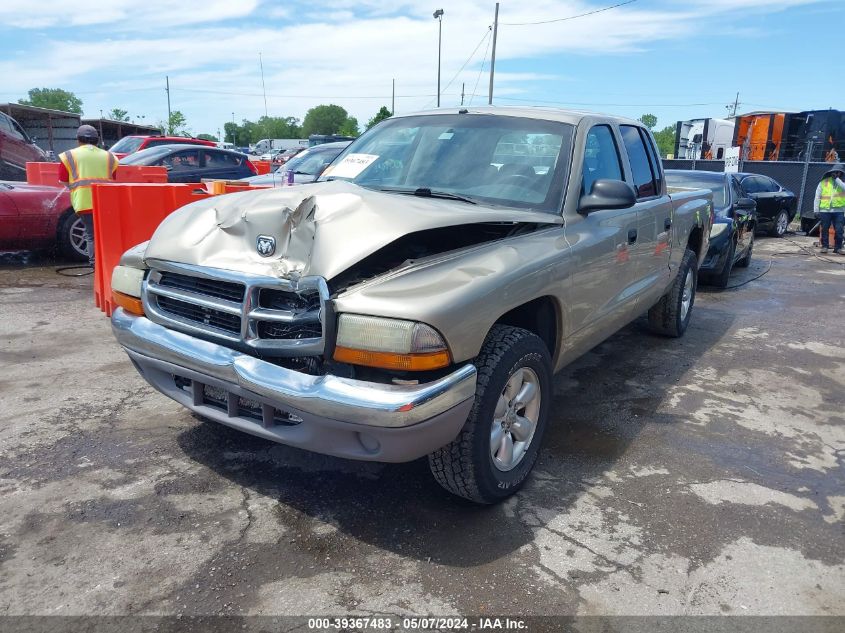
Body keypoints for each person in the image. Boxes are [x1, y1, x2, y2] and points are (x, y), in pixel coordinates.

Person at [57, 125, 118, 266]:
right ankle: (107, 261)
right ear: (97, 140)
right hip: (105, 202)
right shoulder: (110, 156)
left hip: (83, 202)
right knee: (105, 234)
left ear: (78, 140)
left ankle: (94, 263)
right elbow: (112, 178)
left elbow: (63, 180)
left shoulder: (68, 156)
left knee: (91, 234)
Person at [813, 163, 845, 255]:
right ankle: (825, 246)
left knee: (839, 230)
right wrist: (816, 210)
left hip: (839, 211)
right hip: (825, 210)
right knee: (825, 229)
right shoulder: (823, 182)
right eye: (835, 172)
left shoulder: (842, 183)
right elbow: (817, 197)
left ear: (841, 173)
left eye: (838, 172)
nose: (836, 173)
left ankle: (838, 248)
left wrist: (837, 180)